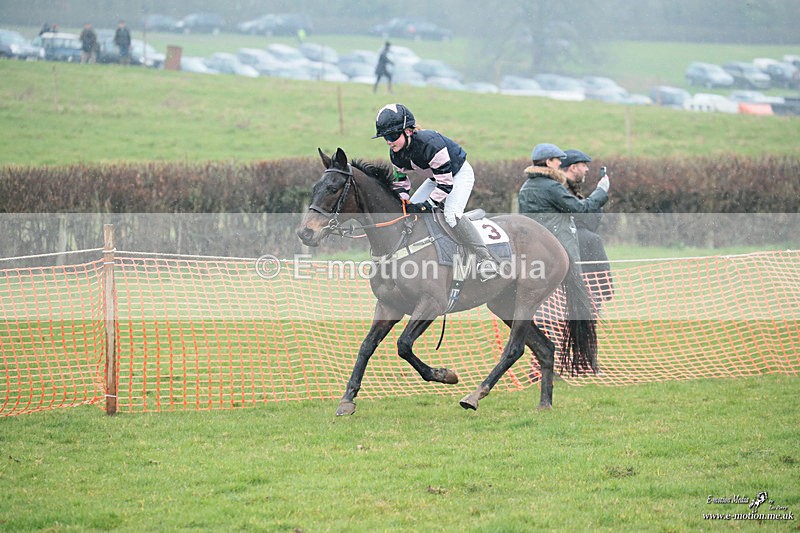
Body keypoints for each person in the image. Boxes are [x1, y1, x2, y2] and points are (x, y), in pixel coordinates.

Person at [373, 103, 499, 280]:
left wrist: (426, 206)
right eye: (385, 137)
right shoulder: (395, 153)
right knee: (408, 213)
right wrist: (402, 202)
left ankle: (486, 259)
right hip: (436, 179)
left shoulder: (429, 144)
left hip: (459, 175)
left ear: (408, 131)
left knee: (451, 215)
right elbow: (401, 182)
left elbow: (446, 184)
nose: (389, 141)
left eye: (393, 135)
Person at [560, 149, 614, 305]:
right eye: (583, 165)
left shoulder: (563, 190)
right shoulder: (561, 192)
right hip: (582, 292)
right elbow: (582, 216)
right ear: (573, 167)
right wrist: (601, 191)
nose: (587, 169)